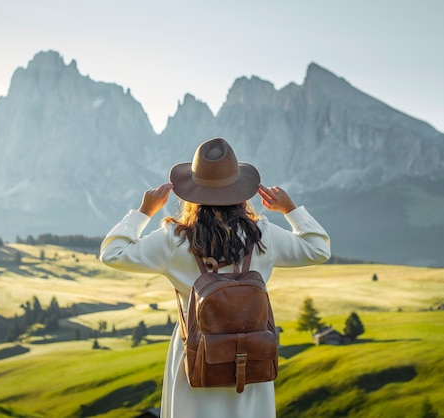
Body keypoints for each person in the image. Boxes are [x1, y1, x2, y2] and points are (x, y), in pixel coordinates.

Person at [100, 137, 331, 418]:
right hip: (250, 359)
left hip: (197, 356)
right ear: (240, 191)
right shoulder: (263, 235)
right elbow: (318, 249)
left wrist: (143, 213)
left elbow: (112, 253)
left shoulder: (173, 240)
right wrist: (291, 211)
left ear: (191, 193)